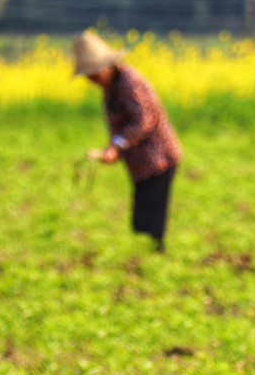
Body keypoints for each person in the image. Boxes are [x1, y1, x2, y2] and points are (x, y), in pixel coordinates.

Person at [72, 30, 182, 252]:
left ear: (105, 66)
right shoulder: (111, 87)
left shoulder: (129, 83)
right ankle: (145, 258)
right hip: (142, 163)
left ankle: (153, 259)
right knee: (142, 217)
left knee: (151, 218)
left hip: (158, 158)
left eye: (93, 75)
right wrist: (115, 149)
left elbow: (144, 120)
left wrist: (117, 146)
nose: (91, 81)